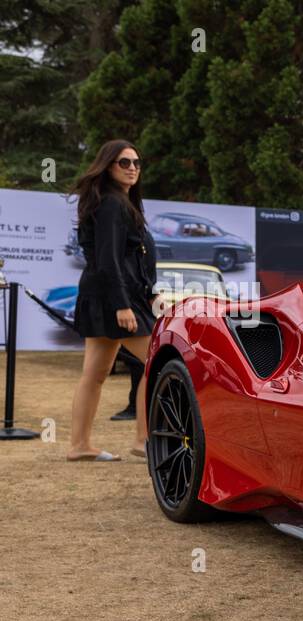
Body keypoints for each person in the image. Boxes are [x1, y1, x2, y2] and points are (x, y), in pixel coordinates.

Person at [67, 139, 159, 461]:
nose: (132, 167)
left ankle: (80, 446)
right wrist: (122, 304)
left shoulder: (119, 202)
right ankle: (144, 440)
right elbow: (109, 259)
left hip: (106, 294)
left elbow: (130, 258)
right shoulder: (111, 204)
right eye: (124, 162)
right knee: (158, 362)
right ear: (108, 166)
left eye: (136, 162)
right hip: (113, 298)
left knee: (94, 374)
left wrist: (149, 292)